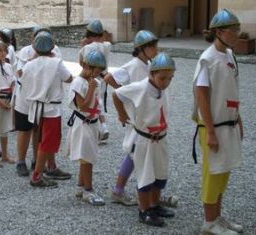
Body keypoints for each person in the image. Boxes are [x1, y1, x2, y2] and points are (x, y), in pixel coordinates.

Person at [193, 9, 244, 235]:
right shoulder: (207, 59)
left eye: (237, 30)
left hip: (228, 124)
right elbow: (202, 95)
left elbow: (230, 91)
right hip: (213, 127)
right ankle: (208, 223)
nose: (237, 34)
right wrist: (211, 131)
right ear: (220, 32)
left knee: (223, 172)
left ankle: (217, 217)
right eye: (234, 30)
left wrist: (238, 119)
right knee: (212, 174)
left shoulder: (229, 54)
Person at [113, 53, 176, 227]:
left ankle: (154, 205)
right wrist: (122, 114)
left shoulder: (163, 88)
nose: (166, 82)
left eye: (169, 79)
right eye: (162, 78)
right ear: (151, 74)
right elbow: (117, 94)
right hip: (144, 141)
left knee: (160, 175)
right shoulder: (140, 87)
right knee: (146, 176)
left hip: (160, 139)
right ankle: (144, 210)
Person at [104, 30, 159, 206]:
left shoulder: (150, 64)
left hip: (147, 117)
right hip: (136, 118)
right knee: (134, 153)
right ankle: (118, 191)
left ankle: (148, 192)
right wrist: (124, 98)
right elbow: (108, 77)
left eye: (155, 45)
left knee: (141, 154)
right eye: (151, 46)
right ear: (141, 49)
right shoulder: (134, 65)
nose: (155, 49)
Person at [19, 31, 73, 187]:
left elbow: (23, 79)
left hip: (35, 107)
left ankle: (50, 166)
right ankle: (37, 176)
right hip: (51, 109)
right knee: (47, 142)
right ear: (51, 48)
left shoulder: (29, 64)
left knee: (43, 139)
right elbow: (68, 78)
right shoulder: (56, 62)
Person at [14, 26, 62, 177]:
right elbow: (20, 73)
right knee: (25, 130)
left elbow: (57, 70)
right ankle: (21, 162)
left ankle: (37, 161)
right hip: (25, 98)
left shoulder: (56, 51)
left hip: (42, 100)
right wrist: (35, 60)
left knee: (38, 131)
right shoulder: (25, 51)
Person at [65, 50, 107, 205]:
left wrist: (102, 123)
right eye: (95, 71)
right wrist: (90, 88)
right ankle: (88, 191)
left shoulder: (93, 81)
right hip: (82, 124)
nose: (96, 75)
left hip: (91, 123)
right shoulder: (78, 83)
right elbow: (82, 105)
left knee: (87, 155)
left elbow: (97, 104)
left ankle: (80, 187)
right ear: (87, 67)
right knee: (87, 158)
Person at [79, 19, 112, 143]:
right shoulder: (107, 46)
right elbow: (105, 42)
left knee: (92, 101)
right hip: (103, 78)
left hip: (91, 78)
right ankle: (102, 126)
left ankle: (99, 127)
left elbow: (82, 63)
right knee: (100, 100)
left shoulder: (87, 48)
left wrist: (83, 46)